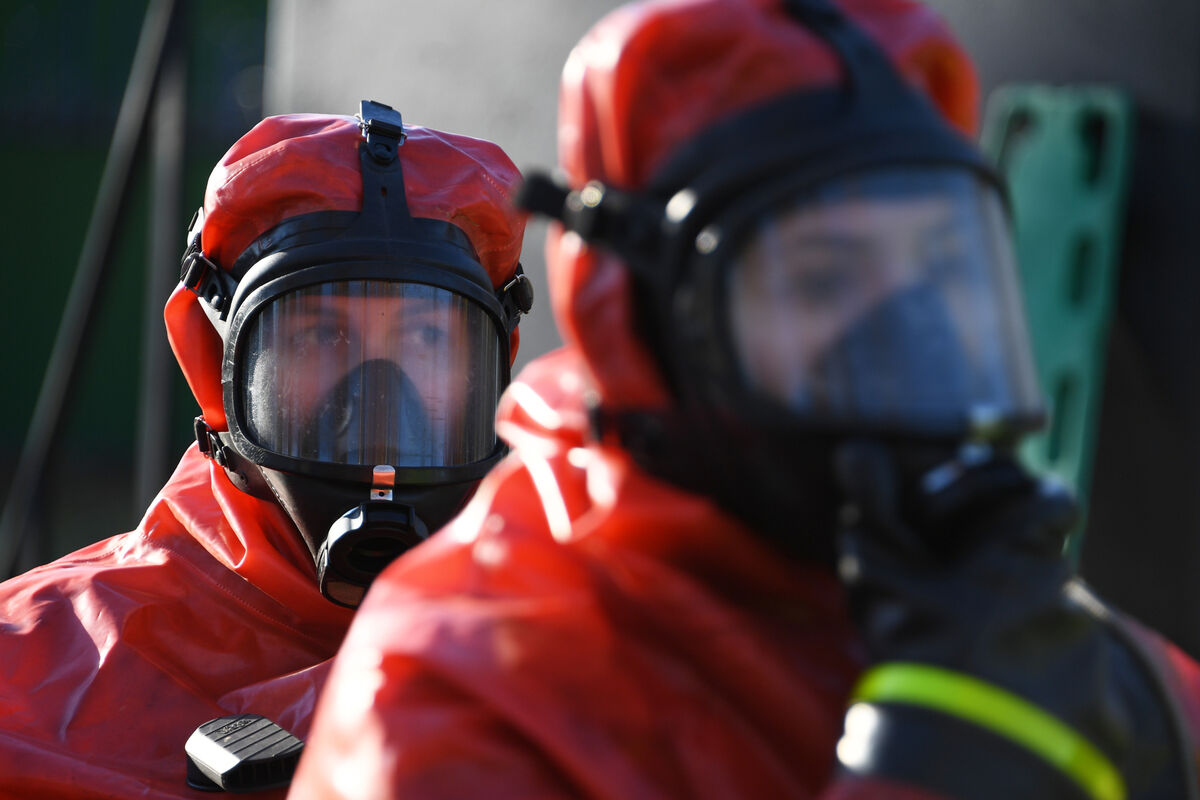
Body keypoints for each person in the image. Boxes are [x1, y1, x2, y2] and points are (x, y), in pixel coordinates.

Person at [291, 2, 1200, 799]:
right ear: (645, 325)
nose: (902, 338)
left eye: (938, 271)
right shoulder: (454, 703)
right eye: (821, 280)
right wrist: (944, 766)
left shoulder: (986, 613)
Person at [0, 101, 530, 798]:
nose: (378, 399)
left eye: (427, 339)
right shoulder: (27, 672)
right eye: (322, 336)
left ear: (489, 372)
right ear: (217, 363)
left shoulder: (573, 658)